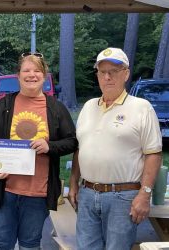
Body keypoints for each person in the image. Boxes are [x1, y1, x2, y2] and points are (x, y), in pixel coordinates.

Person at [68, 47, 163, 250]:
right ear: (97, 75)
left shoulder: (141, 107)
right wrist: (73, 182)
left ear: (126, 74)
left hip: (123, 196)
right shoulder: (88, 106)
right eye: (102, 72)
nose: (107, 77)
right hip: (87, 193)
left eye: (114, 71)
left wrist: (145, 194)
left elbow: (153, 153)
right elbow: (80, 148)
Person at [0, 52, 78, 250]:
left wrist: (50, 146)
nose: (31, 75)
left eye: (37, 70)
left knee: (30, 245)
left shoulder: (56, 109)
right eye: (26, 70)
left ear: (44, 75)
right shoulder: (3, 106)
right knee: (2, 245)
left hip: (38, 192)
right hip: (5, 190)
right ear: (18, 75)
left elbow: (72, 141)